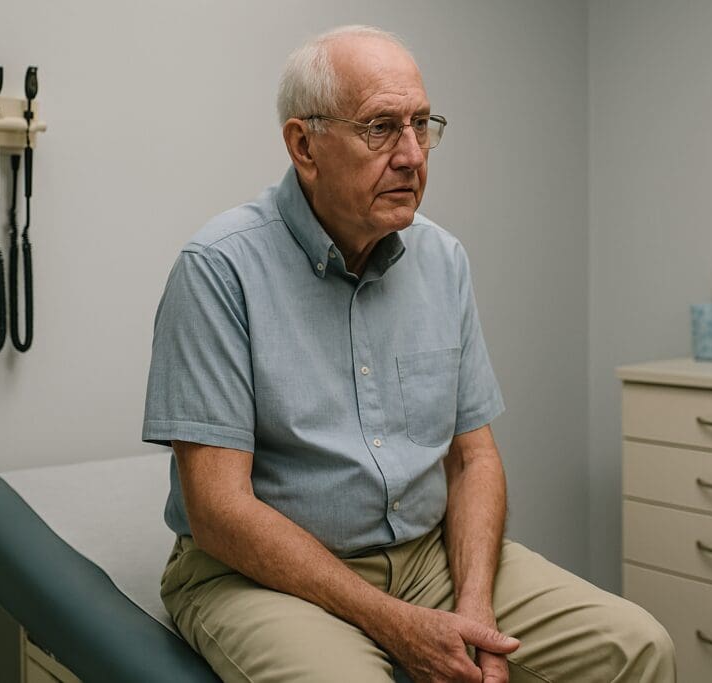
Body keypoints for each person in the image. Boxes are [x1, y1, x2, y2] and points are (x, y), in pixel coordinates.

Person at [143, 24, 675, 683]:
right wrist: (390, 620)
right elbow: (218, 512)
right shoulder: (218, 269)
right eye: (381, 127)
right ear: (303, 145)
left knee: (638, 646)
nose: (412, 155)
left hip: (427, 560)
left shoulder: (441, 259)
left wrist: (474, 610)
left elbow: (473, 459)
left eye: (422, 125)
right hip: (260, 577)